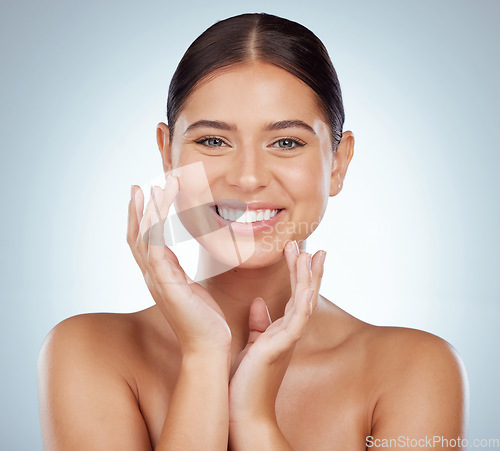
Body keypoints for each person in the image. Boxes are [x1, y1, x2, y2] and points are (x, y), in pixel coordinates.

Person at [37, 12, 468, 450]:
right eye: (212, 141)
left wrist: (255, 419)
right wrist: (204, 356)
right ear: (167, 155)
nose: (247, 178)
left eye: (286, 142)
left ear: (338, 163)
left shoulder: (416, 370)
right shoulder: (88, 351)